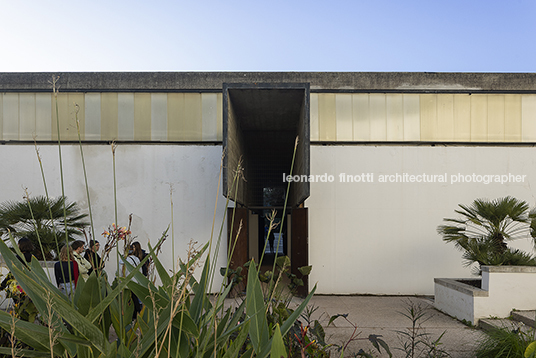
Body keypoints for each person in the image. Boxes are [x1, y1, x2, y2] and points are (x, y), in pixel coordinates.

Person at [119, 243, 143, 319]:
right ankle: (136, 315)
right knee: (135, 299)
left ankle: (129, 316)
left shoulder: (123, 260)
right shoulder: (136, 259)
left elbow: (120, 272)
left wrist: (120, 281)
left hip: (126, 283)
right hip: (135, 283)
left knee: (127, 300)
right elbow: (140, 272)